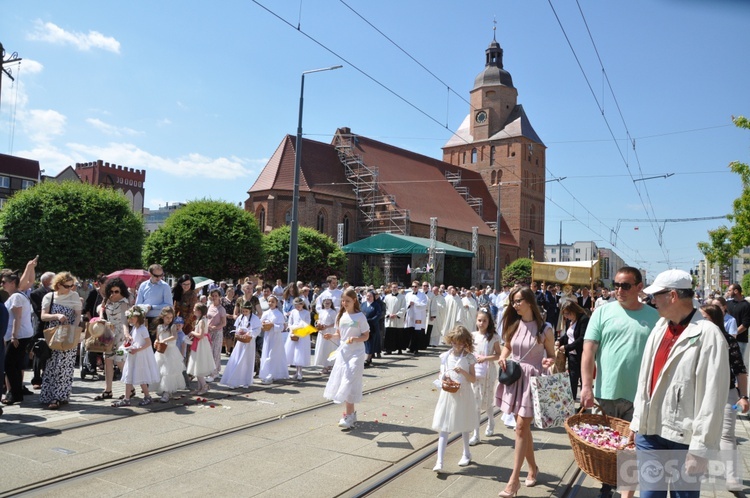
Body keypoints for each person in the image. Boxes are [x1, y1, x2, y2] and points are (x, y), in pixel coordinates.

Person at [629, 270, 729, 498]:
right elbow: (645, 379)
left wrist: (701, 448)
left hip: (684, 439)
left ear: (672, 296)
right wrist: (637, 422)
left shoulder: (709, 335)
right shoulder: (660, 328)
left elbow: (713, 397)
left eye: (656, 295)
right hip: (649, 432)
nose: (652, 301)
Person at [580, 266, 659, 498]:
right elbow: (588, 351)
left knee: (632, 450)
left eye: (625, 285)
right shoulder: (602, 313)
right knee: (606, 448)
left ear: (639, 287)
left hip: (640, 396)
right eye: (616, 285)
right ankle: (606, 488)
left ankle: (626, 495)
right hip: (606, 393)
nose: (619, 290)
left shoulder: (654, 317)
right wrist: (586, 386)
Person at [495, 286, 556, 497]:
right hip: (515, 378)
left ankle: (513, 481)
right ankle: (533, 468)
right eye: (513, 301)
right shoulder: (513, 324)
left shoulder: (545, 328)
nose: (515, 305)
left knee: (521, 427)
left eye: (518, 300)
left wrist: (550, 361)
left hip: (533, 381)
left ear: (530, 301)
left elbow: (552, 356)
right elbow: (508, 346)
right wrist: (503, 356)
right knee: (523, 428)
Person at [699, 303, 748, 491]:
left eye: (705, 319)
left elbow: (740, 371)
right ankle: (700, 468)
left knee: (727, 435)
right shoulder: (693, 339)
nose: (700, 323)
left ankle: (732, 477)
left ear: (715, 321)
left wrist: (743, 396)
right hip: (699, 394)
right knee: (701, 431)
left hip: (727, 393)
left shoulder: (728, 341)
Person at [432, 325, 477, 473]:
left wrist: (463, 372)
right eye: (454, 343)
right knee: (444, 427)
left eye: (460, 343)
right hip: (448, 394)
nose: (457, 346)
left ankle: (466, 452)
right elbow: (441, 373)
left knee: (463, 424)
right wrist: (443, 377)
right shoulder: (445, 356)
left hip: (463, 393)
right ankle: (439, 461)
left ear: (465, 343)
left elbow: (472, 379)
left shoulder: (469, 357)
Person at [323, 288, 370, 430]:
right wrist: (330, 336)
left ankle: (349, 415)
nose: (344, 303)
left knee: (349, 378)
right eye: (343, 301)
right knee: (346, 379)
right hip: (344, 352)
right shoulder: (340, 315)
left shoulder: (360, 316)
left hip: (357, 352)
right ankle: (350, 414)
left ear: (354, 300)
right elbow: (339, 334)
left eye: (347, 301)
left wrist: (355, 338)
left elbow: (366, 336)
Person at [39, 272, 83, 410]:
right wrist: (57, 315)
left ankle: (59, 397)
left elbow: (77, 315)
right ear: (58, 285)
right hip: (53, 336)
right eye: (67, 286)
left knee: (64, 366)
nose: (70, 288)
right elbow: (43, 316)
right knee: (51, 365)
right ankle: (49, 395)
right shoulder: (49, 296)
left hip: (68, 335)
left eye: (72, 286)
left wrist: (74, 330)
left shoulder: (74, 296)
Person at [111, 306, 161, 407]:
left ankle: (147, 396)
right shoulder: (134, 328)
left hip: (140, 355)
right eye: (130, 317)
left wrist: (137, 349)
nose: (131, 319)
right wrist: (129, 341)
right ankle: (127, 398)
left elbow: (148, 343)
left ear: (139, 317)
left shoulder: (143, 329)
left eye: (133, 317)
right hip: (133, 355)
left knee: (141, 376)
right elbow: (135, 340)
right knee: (129, 375)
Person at [94, 278, 131, 402]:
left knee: (120, 361)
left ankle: (129, 389)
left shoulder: (124, 302)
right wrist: (100, 316)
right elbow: (100, 308)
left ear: (121, 291)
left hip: (120, 335)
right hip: (109, 333)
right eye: (111, 291)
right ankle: (108, 390)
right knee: (108, 360)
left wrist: (126, 333)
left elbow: (125, 320)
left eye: (116, 291)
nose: (114, 294)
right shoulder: (107, 300)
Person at [1, 270, 35, 405]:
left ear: (12, 283)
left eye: (4, 282)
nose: (2, 284)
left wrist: (14, 336)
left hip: (19, 336)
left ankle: (15, 393)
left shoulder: (16, 297)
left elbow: (17, 317)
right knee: (14, 365)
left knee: (9, 364)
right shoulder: (16, 295)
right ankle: (16, 393)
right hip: (19, 335)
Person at [470, 308, 501, 446]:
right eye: (479, 320)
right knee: (475, 402)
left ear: (489, 322)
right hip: (475, 371)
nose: (481, 323)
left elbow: (499, 355)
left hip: (488, 371)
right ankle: (476, 434)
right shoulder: (472, 336)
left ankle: (491, 420)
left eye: (484, 321)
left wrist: (485, 358)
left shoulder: (493, 337)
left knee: (487, 398)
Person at [220, 302, 261, 388]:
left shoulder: (255, 318)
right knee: (238, 359)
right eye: (243, 311)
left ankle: (246, 381)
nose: (245, 313)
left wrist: (249, 333)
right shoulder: (240, 317)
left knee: (247, 361)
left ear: (250, 310)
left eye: (246, 311)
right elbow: (237, 328)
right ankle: (234, 380)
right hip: (240, 342)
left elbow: (257, 330)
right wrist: (239, 331)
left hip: (249, 342)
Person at [556, 300, 589, 400]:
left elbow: (582, 338)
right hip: (572, 355)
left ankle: (584, 404)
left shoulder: (584, 319)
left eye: (567, 313)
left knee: (583, 380)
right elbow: (568, 335)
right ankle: (571, 401)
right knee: (572, 379)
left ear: (573, 311)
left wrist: (566, 347)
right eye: (564, 314)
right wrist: (560, 341)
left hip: (582, 354)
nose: (566, 316)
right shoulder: (571, 321)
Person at [153, 306, 186, 402]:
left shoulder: (172, 326)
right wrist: (156, 341)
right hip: (162, 351)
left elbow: (174, 336)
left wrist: (164, 340)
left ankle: (167, 392)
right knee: (161, 371)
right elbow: (158, 338)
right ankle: (163, 390)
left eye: (171, 317)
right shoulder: (159, 327)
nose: (169, 319)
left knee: (168, 372)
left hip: (171, 351)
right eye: (167, 317)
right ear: (162, 317)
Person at [29, 271, 55, 389]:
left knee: (50, 353)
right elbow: (38, 311)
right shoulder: (36, 294)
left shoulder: (56, 293)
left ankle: (47, 376)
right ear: (46, 282)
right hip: (41, 327)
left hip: (54, 327)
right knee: (39, 353)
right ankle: (36, 378)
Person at [135, 264, 172, 338]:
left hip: (158, 318)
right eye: (156, 275)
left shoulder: (165, 286)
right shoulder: (143, 285)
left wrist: (152, 307)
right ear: (150, 274)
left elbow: (169, 305)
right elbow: (138, 304)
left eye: (161, 275)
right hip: (144, 318)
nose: (159, 278)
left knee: (155, 343)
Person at [258, 295, 287, 384]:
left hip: (275, 337)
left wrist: (273, 325)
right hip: (267, 336)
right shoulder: (266, 313)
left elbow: (282, 327)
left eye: (272, 302)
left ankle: (270, 375)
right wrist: (263, 324)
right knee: (266, 354)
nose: (270, 303)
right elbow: (261, 323)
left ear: (276, 303)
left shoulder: (278, 314)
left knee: (272, 355)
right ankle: (266, 373)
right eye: (269, 301)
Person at [186, 303, 213, 395]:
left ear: (199, 311)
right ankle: (199, 387)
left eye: (194, 309)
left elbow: (201, 335)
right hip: (200, 344)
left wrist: (192, 333)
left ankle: (204, 386)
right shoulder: (200, 320)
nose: (193, 310)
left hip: (201, 345)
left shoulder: (201, 321)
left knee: (199, 365)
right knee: (197, 366)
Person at [726, 283, 750, 377]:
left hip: (740, 340)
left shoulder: (746, 305)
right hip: (727, 339)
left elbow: (745, 324)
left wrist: (733, 334)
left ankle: (739, 388)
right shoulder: (728, 304)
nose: (728, 292)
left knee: (738, 366)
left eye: (729, 290)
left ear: (736, 291)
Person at [285, 297, 311, 381]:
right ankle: (297, 371)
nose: (297, 307)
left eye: (299, 305)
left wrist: (298, 327)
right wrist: (291, 328)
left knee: (300, 351)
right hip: (294, 332)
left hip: (302, 333)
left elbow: (307, 323)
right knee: (294, 352)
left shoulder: (306, 313)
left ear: (302, 304)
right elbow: (290, 321)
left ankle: (300, 371)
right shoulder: (293, 312)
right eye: (295, 306)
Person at [206, 289, 227, 382]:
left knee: (216, 352)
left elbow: (224, 323)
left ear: (219, 297)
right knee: (209, 352)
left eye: (216, 296)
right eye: (213, 296)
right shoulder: (209, 306)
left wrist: (216, 327)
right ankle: (215, 370)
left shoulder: (221, 309)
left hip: (217, 332)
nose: (214, 297)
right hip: (209, 332)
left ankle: (213, 373)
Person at [313, 298, 337, 374]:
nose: (327, 305)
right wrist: (318, 324)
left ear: (331, 304)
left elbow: (335, 323)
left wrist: (327, 326)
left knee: (329, 348)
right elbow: (319, 320)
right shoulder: (321, 312)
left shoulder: (333, 312)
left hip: (330, 331)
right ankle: (325, 364)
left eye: (328, 303)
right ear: (323, 304)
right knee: (322, 348)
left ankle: (327, 365)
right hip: (322, 332)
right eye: (326, 303)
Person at [405, 281, 428, 355]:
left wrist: (415, 304)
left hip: (418, 316)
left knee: (417, 332)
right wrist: (409, 304)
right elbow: (405, 303)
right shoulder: (408, 295)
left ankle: (416, 348)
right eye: (413, 286)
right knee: (410, 331)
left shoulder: (423, 295)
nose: (414, 288)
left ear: (418, 287)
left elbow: (424, 305)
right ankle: (410, 347)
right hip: (410, 315)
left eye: (415, 286)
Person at [382, 282, 406, 355]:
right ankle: (389, 349)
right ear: (390, 288)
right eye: (393, 287)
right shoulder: (387, 297)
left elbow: (404, 307)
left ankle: (399, 349)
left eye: (396, 287)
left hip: (398, 319)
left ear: (398, 288)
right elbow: (384, 307)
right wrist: (389, 314)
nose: (394, 288)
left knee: (399, 334)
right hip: (390, 318)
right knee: (389, 335)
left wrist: (397, 315)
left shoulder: (402, 297)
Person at [361, 290, 382, 367]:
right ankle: (364, 357)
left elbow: (378, 315)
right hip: (363, 326)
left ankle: (368, 358)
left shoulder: (376, 305)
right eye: (367, 296)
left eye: (370, 296)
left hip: (372, 326)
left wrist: (371, 321)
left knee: (371, 342)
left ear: (373, 297)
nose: (368, 297)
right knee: (364, 342)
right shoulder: (362, 305)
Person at [221, 287, 237, 357]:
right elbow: (220, 308)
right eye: (230, 291)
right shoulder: (222, 300)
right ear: (227, 292)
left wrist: (234, 315)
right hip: (224, 318)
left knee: (230, 335)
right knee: (224, 335)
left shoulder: (235, 301)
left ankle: (228, 350)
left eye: (233, 292)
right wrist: (226, 315)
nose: (232, 293)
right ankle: (224, 349)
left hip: (233, 320)